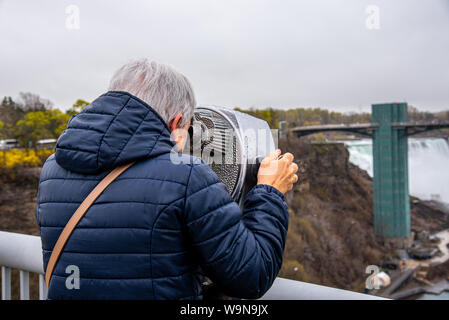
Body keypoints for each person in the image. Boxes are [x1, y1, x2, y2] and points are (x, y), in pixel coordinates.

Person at [36, 59, 298, 300]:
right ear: (176, 123)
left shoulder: (52, 169)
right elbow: (251, 277)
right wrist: (269, 191)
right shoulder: (186, 175)